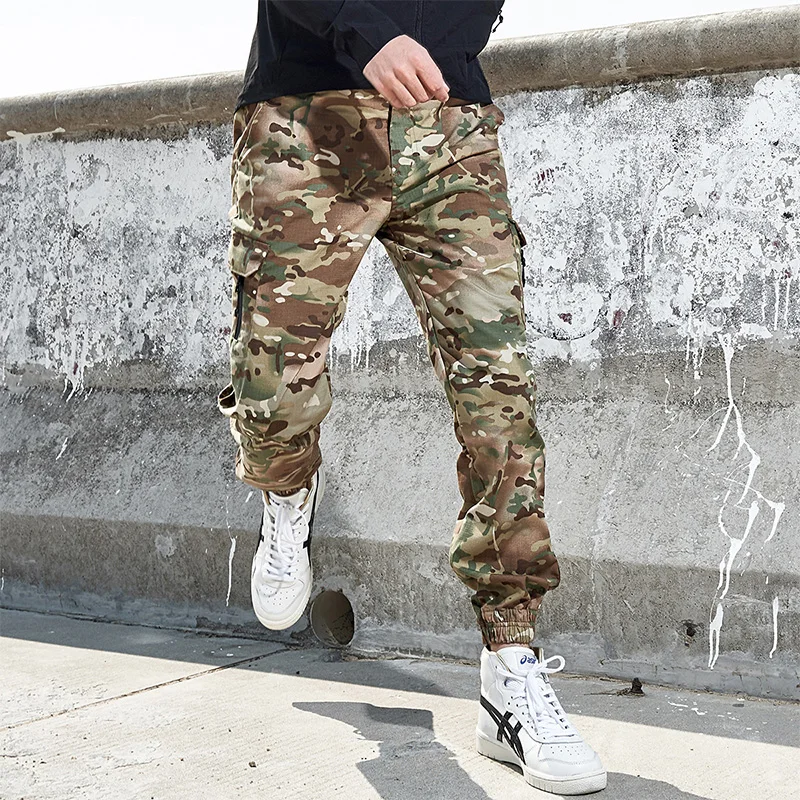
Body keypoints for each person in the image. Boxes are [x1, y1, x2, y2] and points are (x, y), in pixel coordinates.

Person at [218, 1, 606, 794]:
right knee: (272, 381)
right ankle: (287, 489)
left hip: (449, 125)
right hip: (306, 119)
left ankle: (510, 667)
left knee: (500, 402)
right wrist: (369, 33)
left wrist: (441, 42)